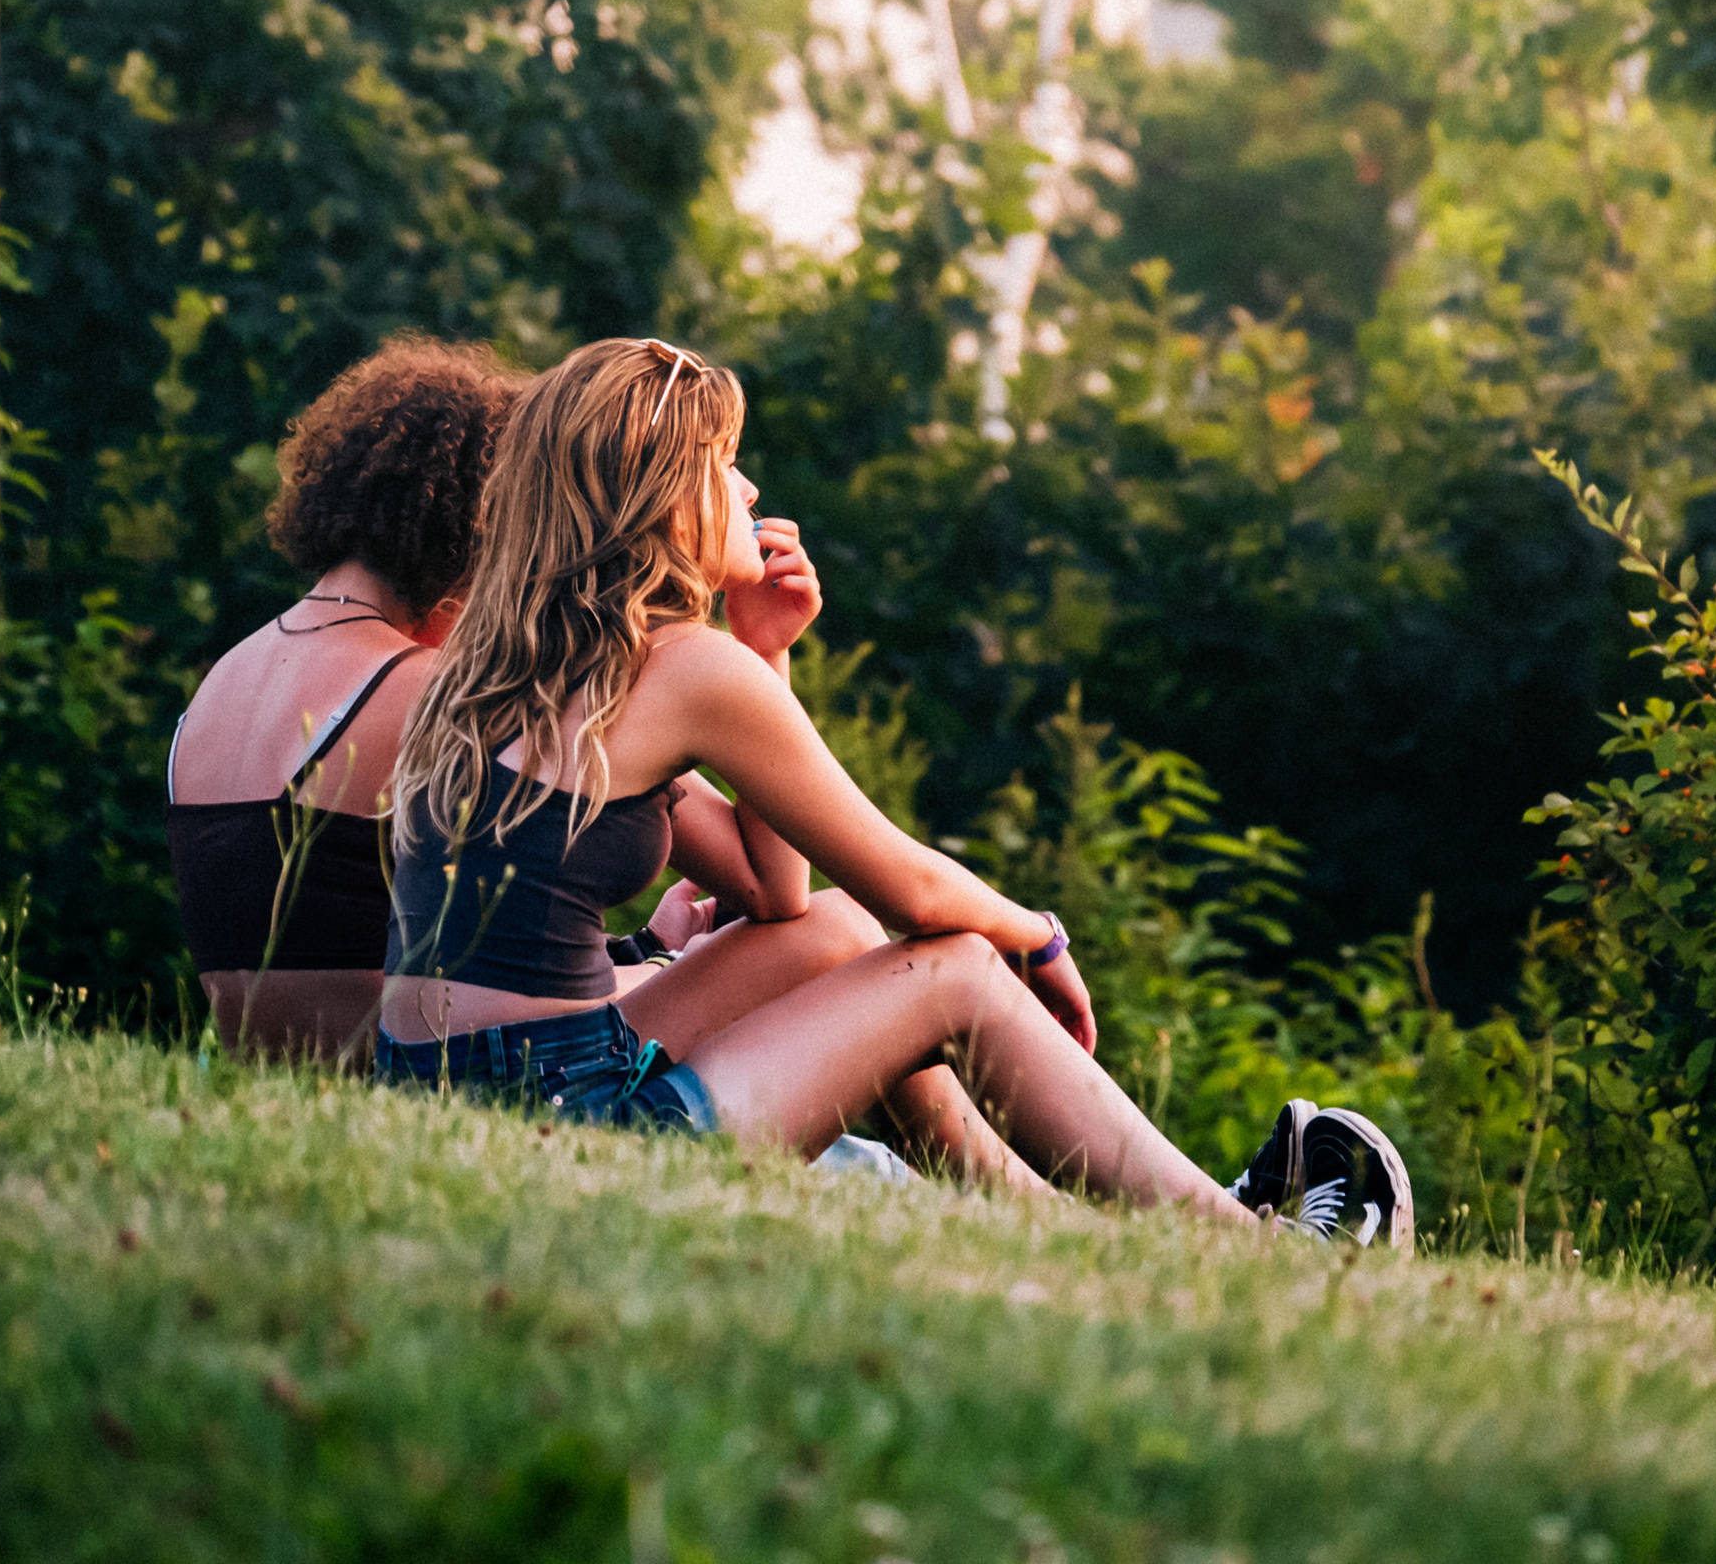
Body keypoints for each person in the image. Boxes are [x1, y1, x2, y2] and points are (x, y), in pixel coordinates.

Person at [378, 336, 1411, 1245]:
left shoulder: (496, 669)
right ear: (660, 492)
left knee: (832, 928)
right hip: (572, 1120)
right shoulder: (677, 669)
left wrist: (767, 650)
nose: (746, 490)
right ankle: (1242, 1246)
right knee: (956, 969)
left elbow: (773, 893)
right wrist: (1035, 937)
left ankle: (1064, 1229)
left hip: (446, 1097)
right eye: (722, 464)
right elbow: (912, 887)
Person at [166, 339, 521, 1063]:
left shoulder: (225, 679)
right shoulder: (417, 685)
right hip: (379, 1067)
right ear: (476, 524)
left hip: (252, 1062)